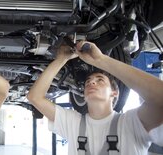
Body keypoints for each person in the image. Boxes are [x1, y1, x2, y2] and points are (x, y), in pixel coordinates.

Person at [27, 41, 163, 155]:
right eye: (88, 82)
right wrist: (61, 59)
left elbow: (160, 98)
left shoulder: (131, 124)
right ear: (83, 95)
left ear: (114, 92)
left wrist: (101, 60)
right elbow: (35, 97)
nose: (92, 82)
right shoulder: (73, 123)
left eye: (100, 80)